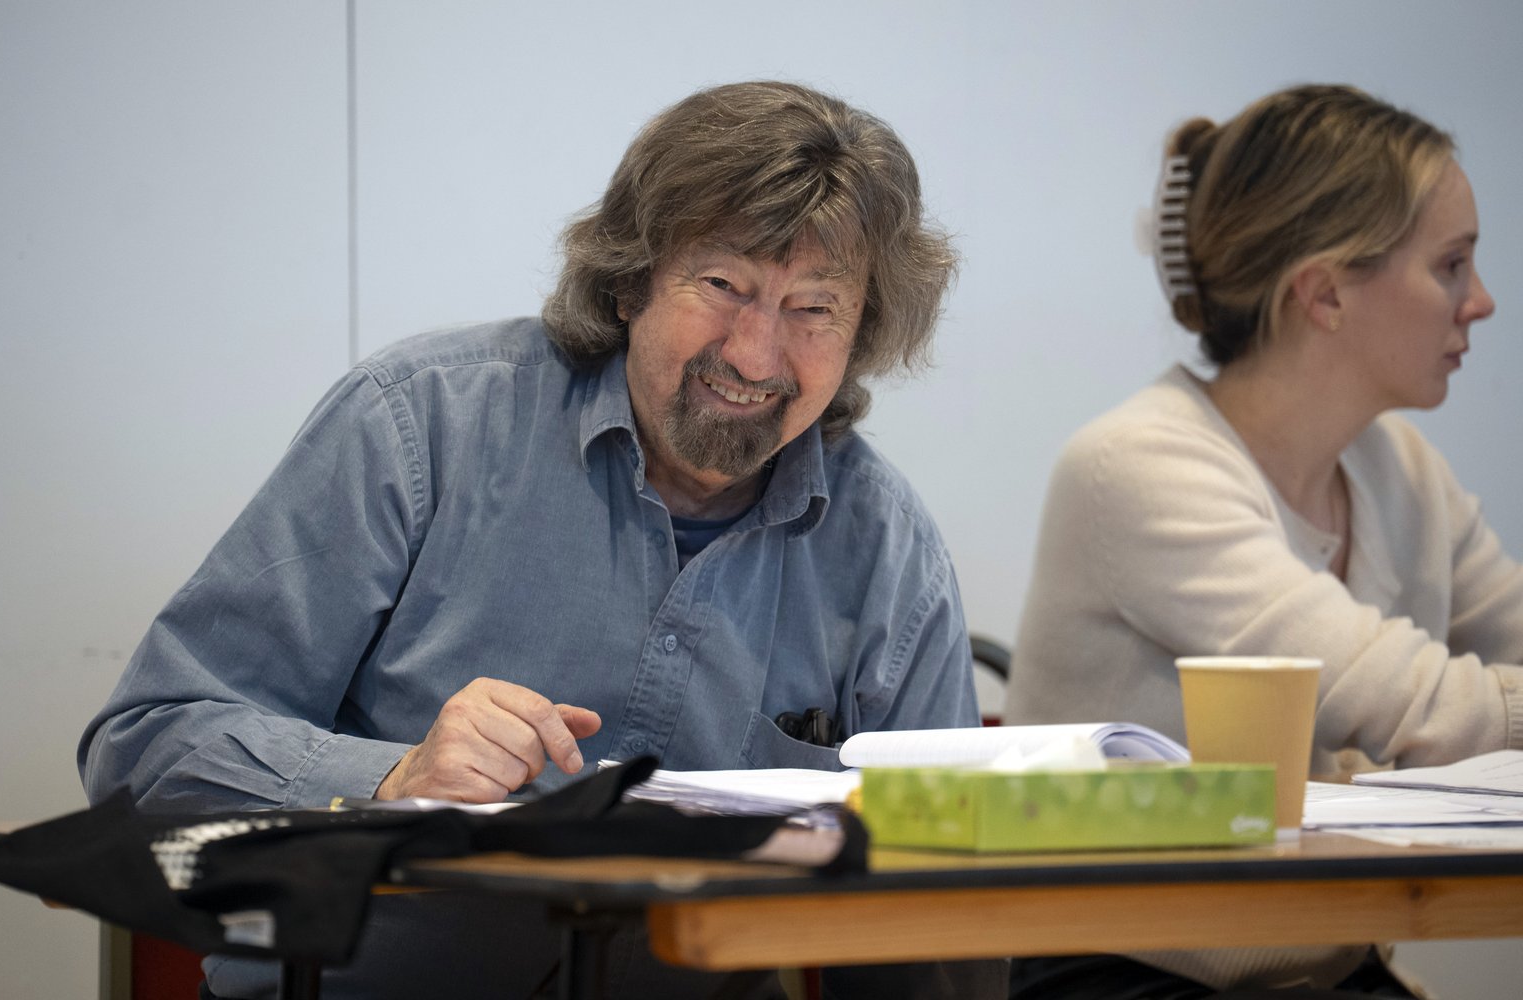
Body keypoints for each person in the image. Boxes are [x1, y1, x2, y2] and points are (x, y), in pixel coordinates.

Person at [79, 81, 1002, 999]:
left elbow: (941, 891)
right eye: (723, 284)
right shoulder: (419, 424)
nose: (757, 356)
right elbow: (148, 743)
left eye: (815, 308)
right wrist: (391, 777)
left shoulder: (885, 545)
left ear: (862, 332)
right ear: (634, 278)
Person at [1005, 83, 1519, 998]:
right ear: (1323, 293)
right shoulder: (1137, 467)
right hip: (1121, 976)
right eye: (1451, 265)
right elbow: (1428, 708)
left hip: (1322, 971)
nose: (1479, 302)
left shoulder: (1402, 467)